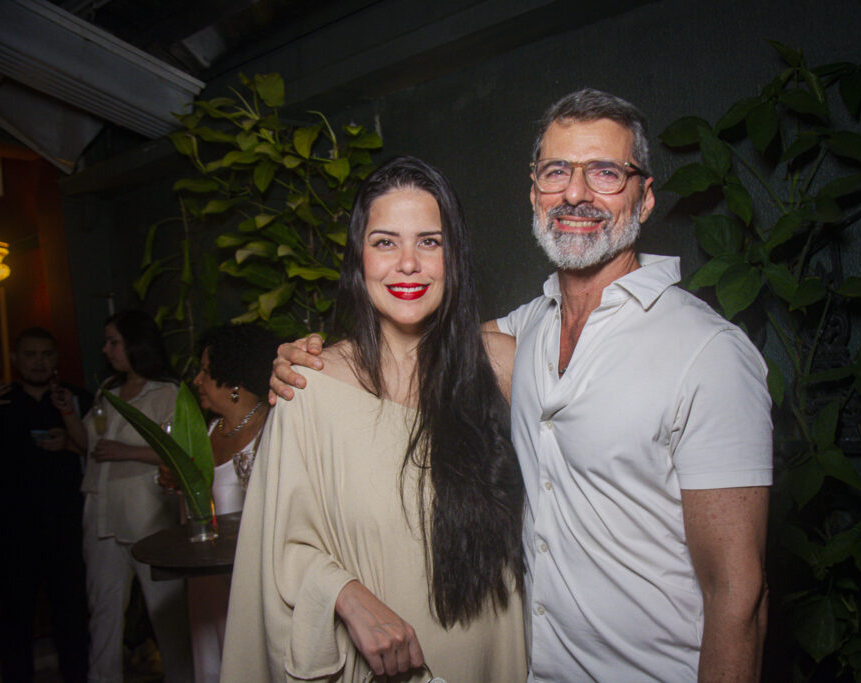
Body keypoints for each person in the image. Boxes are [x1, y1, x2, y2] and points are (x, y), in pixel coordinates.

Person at [271, 89, 773, 681]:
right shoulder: (525, 331)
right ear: (534, 191)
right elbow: (418, 341)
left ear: (645, 198)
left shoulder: (707, 354)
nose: (576, 193)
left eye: (605, 172)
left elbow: (738, 595)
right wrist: (312, 360)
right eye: (557, 171)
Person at [220, 156, 527, 682]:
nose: (407, 263)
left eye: (429, 242)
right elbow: (274, 553)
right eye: (385, 242)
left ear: (454, 256)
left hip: (494, 658)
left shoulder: (503, 367)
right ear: (358, 257)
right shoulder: (308, 387)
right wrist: (345, 595)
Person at [0, 327, 90, 682]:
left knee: (71, 613)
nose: (39, 362)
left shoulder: (76, 397)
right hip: (12, 526)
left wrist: (68, 436)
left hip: (66, 523)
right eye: (30, 354)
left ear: (56, 358)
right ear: (15, 359)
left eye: (46, 354)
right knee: (15, 616)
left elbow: (93, 451)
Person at [80, 310, 193, 682]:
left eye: (114, 342)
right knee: (103, 611)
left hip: (146, 515)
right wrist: (65, 417)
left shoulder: (165, 392)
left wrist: (126, 451)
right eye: (106, 342)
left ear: (136, 344)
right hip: (101, 511)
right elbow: (87, 442)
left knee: (166, 614)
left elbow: (180, 452)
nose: (106, 350)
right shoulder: (107, 390)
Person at [165, 323, 279, 683]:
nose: (196, 380)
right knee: (210, 663)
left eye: (205, 371)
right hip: (206, 581)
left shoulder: (272, 430)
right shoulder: (208, 431)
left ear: (234, 382)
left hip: (248, 580)